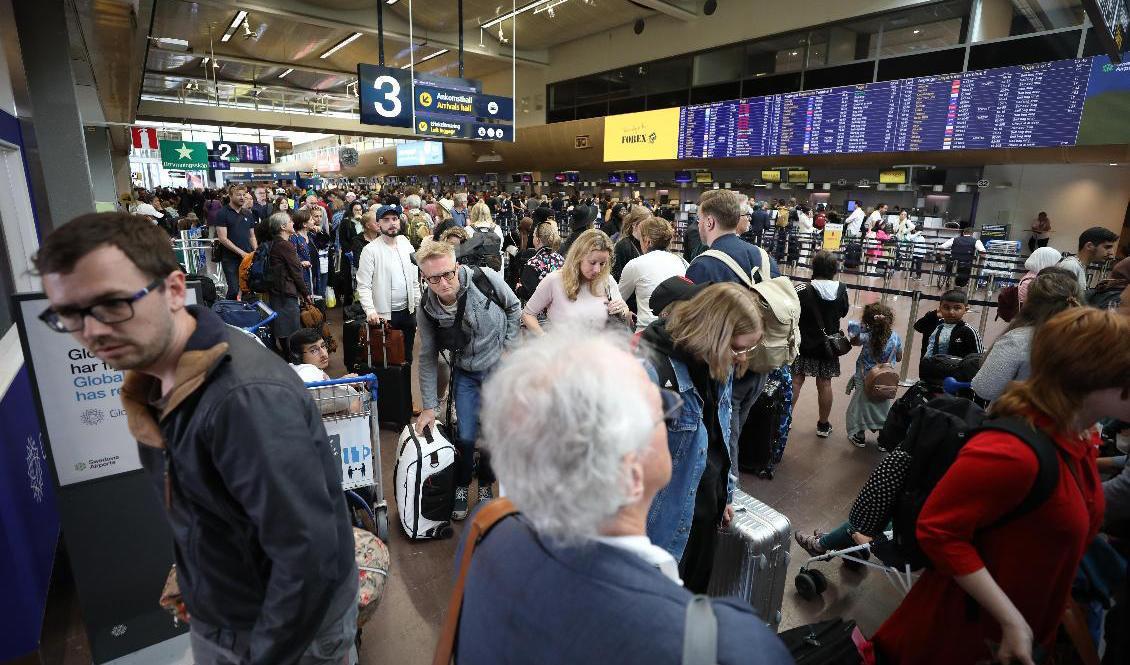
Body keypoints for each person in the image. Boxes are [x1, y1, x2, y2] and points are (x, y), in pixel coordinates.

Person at [34, 212, 358, 664]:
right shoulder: (158, 378)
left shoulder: (244, 401)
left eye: (111, 305)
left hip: (279, 634)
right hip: (229, 612)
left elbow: (307, 559)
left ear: (171, 290)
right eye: (69, 315)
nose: (91, 332)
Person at [454, 329, 791, 664]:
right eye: (661, 407)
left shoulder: (485, 527)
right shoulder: (723, 646)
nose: (671, 409)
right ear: (630, 476)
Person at [873, 307, 1126, 665]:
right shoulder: (1013, 451)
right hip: (965, 637)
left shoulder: (1082, 438)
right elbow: (939, 529)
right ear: (1092, 377)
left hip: (1017, 630)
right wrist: (1011, 620)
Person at [641, 283, 763, 592]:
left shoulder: (712, 361)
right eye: (737, 348)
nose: (741, 358)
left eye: (748, 349)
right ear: (714, 334)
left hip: (702, 517)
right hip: (661, 531)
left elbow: (719, 438)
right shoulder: (652, 372)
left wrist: (725, 495)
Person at [414, 239, 522, 521]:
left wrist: (510, 347)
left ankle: (485, 484)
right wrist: (428, 406)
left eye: (447, 274)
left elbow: (513, 306)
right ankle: (462, 484)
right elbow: (427, 357)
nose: (443, 284)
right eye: (433, 278)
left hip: (499, 367)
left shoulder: (485, 279)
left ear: (457, 267)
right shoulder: (426, 309)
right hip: (466, 372)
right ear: (424, 278)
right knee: (464, 434)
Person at [685, 189, 781, 473]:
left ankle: (728, 498)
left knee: (725, 439)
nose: (699, 224)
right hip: (761, 363)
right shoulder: (763, 257)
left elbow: (690, 324)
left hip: (725, 370)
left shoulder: (704, 265)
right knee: (735, 428)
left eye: (700, 219)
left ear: (710, 222)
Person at [971, 269, 1082, 402]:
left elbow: (985, 388)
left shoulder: (1017, 340)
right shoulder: (1088, 339)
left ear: (1030, 302)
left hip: (1017, 417)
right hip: (1067, 419)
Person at [522, 229, 631, 334]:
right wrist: (544, 337)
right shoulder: (554, 280)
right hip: (562, 350)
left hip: (599, 350)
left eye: (602, 263)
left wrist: (622, 310)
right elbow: (528, 314)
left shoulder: (607, 281)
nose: (597, 270)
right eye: (592, 262)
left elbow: (624, 311)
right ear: (578, 257)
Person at [792, 250, 850, 438]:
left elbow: (793, 312)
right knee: (825, 383)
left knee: (796, 380)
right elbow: (843, 312)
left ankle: (785, 418)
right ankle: (823, 425)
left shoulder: (802, 289)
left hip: (804, 343)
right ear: (834, 269)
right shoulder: (842, 289)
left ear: (814, 267)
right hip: (828, 346)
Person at [355, 204, 421, 365]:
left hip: (408, 313)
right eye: (386, 220)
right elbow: (363, 285)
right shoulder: (370, 250)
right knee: (388, 361)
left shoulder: (406, 243)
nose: (392, 223)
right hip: (384, 317)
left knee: (407, 358)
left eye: (395, 219)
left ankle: (405, 391)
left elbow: (414, 277)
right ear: (378, 224)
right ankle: (390, 391)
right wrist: (370, 311)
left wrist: (417, 306)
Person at [845, 302, 902, 449]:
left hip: (865, 377)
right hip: (885, 379)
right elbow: (899, 357)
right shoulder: (896, 337)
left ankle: (860, 435)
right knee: (883, 407)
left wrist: (857, 327)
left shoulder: (866, 337)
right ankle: (883, 439)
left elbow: (854, 341)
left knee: (861, 406)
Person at [618, 217, 688, 331]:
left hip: (646, 333)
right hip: (676, 331)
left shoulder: (636, 264)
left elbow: (619, 298)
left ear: (648, 241)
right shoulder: (682, 262)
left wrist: (626, 311)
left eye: (640, 239)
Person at [265, 212, 313, 352]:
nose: (293, 223)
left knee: (282, 327)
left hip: (277, 290)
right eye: (290, 221)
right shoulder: (285, 245)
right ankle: (292, 359)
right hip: (286, 291)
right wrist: (306, 293)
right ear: (283, 226)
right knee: (290, 329)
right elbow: (296, 272)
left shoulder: (274, 244)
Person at [288, 328, 362, 415]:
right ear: (298, 356)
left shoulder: (294, 368)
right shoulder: (307, 371)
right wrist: (343, 383)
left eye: (323, 346)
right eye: (313, 350)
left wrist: (340, 382)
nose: (323, 354)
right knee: (357, 400)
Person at [213, 185, 257, 299]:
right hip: (230, 258)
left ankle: (245, 314)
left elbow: (252, 236)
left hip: (247, 257)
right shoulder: (222, 213)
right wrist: (241, 252)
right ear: (230, 196)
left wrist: (256, 251)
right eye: (238, 195)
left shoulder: (248, 213)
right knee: (233, 289)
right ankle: (229, 313)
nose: (242, 197)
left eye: (243, 195)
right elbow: (223, 238)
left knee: (247, 288)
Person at [913, 288, 981, 360]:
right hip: (928, 369)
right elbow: (918, 326)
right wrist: (933, 315)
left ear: (965, 310)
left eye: (957, 308)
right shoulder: (934, 322)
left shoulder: (968, 331)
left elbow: (977, 359)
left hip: (954, 370)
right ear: (940, 308)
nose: (951, 312)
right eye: (946, 307)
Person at [1059, 226, 1119, 297]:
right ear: (1089, 246)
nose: (1111, 253)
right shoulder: (1071, 266)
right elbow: (1062, 300)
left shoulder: (1079, 265)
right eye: (1107, 247)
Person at [516, 217, 565, 303]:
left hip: (540, 311)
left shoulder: (533, 263)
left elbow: (530, 294)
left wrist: (519, 289)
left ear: (537, 240)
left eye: (534, 236)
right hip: (559, 306)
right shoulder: (560, 259)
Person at [612, 207, 648, 282]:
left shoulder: (649, 243)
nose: (649, 228)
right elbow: (617, 276)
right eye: (646, 225)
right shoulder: (622, 246)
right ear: (634, 225)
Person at [289, 209, 318, 296]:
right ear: (304, 224)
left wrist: (320, 231)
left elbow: (325, 241)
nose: (314, 221)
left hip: (313, 272)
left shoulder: (311, 235)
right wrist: (301, 262)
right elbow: (292, 256)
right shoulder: (294, 238)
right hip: (303, 275)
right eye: (311, 220)